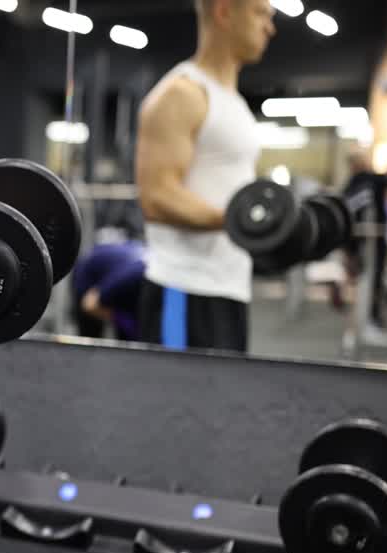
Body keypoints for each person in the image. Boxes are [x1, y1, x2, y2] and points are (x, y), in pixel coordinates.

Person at [134, 0, 276, 352]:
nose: (270, 27)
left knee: (222, 405)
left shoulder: (236, 103)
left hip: (228, 288)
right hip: (184, 287)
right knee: (176, 406)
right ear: (225, 12)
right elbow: (157, 197)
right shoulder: (182, 94)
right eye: (261, 14)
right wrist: (241, 222)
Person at [343, 152, 387, 327]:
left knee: (370, 280)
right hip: (367, 242)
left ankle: (370, 318)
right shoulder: (363, 181)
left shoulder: (361, 182)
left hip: (368, 240)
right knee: (368, 280)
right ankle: (368, 319)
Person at [72, 240, 148, 341]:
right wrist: (121, 319)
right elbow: (89, 304)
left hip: (121, 279)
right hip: (90, 276)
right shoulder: (131, 276)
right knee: (90, 341)